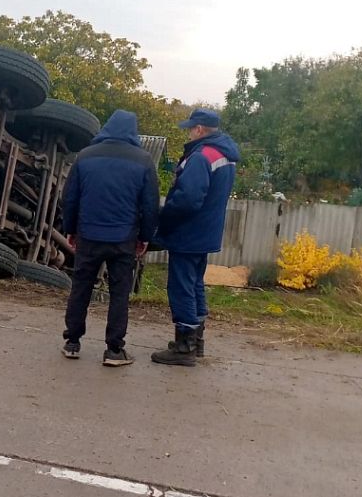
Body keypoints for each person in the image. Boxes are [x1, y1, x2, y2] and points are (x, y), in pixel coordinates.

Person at [61, 109, 160, 366]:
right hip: (123, 239)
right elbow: (150, 206)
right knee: (119, 293)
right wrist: (145, 238)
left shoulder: (85, 156)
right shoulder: (144, 160)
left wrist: (70, 229)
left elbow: (70, 198)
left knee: (81, 287)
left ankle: (72, 342)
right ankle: (114, 350)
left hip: (89, 236)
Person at [151, 108, 240, 366]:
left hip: (189, 232)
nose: (188, 132)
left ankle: (184, 347)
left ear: (199, 129)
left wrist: (164, 218)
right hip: (205, 232)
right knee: (195, 284)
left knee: (181, 287)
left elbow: (188, 199)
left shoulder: (201, 157)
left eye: (191, 128)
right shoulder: (224, 155)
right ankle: (196, 340)